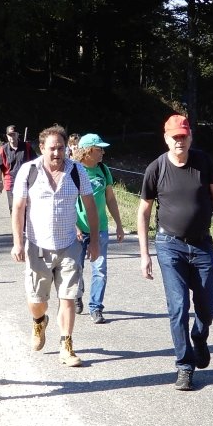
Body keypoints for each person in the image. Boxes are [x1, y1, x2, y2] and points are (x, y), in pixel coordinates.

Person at [137, 114, 213, 391]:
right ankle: (184, 366)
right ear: (166, 138)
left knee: (208, 304)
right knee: (178, 306)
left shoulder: (203, 163)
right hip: (170, 245)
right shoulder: (156, 168)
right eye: (175, 137)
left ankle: (200, 336)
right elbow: (143, 212)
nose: (179, 141)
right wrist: (144, 254)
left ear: (190, 137)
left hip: (202, 245)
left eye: (183, 136)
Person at [11, 125, 100, 367]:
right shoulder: (29, 171)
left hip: (69, 245)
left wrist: (95, 242)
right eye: (52, 148)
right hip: (37, 246)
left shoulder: (77, 171)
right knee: (37, 300)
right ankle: (39, 321)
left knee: (68, 297)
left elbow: (90, 206)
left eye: (61, 148)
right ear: (42, 148)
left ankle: (66, 345)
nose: (57, 153)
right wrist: (18, 242)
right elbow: (18, 208)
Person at [73, 133, 125, 324]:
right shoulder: (73, 171)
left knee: (100, 269)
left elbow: (110, 198)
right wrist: (74, 226)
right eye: (99, 149)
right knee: (76, 268)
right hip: (78, 229)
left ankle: (96, 307)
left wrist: (118, 224)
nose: (103, 152)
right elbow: (66, 201)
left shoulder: (103, 169)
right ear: (87, 151)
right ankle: (77, 294)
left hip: (100, 228)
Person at [0, 125, 33, 211]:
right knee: (13, 208)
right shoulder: (3, 150)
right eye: (10, 135)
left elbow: (35, 163)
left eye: (14, 134)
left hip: (26, 181)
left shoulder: (27, 147)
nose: (12, 137)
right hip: (10, 182)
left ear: (17, 135)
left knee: (26, 207)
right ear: (7, 136)